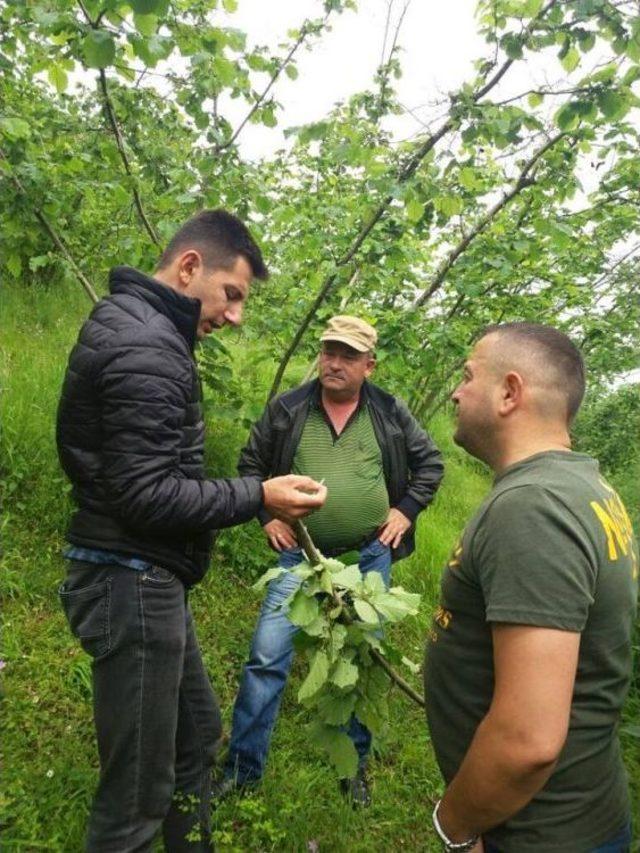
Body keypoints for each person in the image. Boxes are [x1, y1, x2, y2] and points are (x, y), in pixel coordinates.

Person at [55, 209, 327, 853]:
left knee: (197, 735)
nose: (235, 316)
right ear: (188, 267)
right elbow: (146, 494)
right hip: (129, 579)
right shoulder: (146, 344)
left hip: (148, 577)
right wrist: (260, 494)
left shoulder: (147, 332)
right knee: (137, 797)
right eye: (231, 294)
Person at [424, 323, 638, 853]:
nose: (456, 391)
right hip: (570, 816)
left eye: (469, 376)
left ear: (510, 392)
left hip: (540, 833)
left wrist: (454, 824)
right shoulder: (585, 486)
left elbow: (528, 740)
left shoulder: (534, 507)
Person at [217, 315, 445, 806]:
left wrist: (405, 511)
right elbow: (251, 466)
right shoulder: (289, 408)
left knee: (362, 660)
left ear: (369, 364)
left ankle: (353, 767)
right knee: (266, 655)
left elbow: (432, 464)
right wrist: (267, 515)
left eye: (347, 355)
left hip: (368, 557)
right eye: (329, 351)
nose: (334, 363)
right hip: (300, 555)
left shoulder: (388, 412)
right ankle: (241, 768)